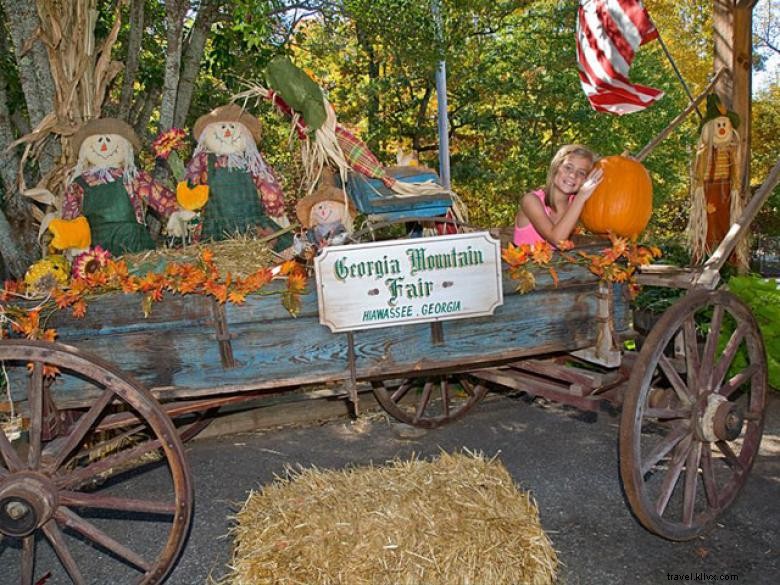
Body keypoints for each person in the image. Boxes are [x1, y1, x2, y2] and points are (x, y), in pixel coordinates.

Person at [513, 144, 603, 246]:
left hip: (560, 261)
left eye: (581, 173)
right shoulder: (530, 201)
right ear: (556, 167)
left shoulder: (576, 203)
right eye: (568, 167)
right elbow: (557, 239)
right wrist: (581, 197)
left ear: (586, 180)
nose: (573, 175)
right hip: (526, 261)